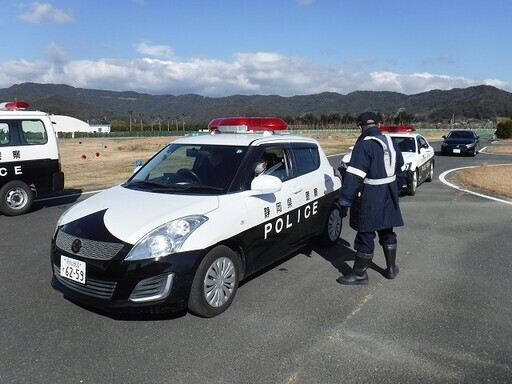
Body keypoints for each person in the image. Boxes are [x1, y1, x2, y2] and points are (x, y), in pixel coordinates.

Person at [337, 111, 405, 285]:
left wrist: (344, 202)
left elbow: (355, 176)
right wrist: (394, 191)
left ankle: (360, 274)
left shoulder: (364, 145)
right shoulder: (391, 142)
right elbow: (400, 169)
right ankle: (391, 269)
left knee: (365, 233)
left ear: (360, 127)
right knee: (386, 230)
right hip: (389, 193)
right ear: (378, 125)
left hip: (370, 194)